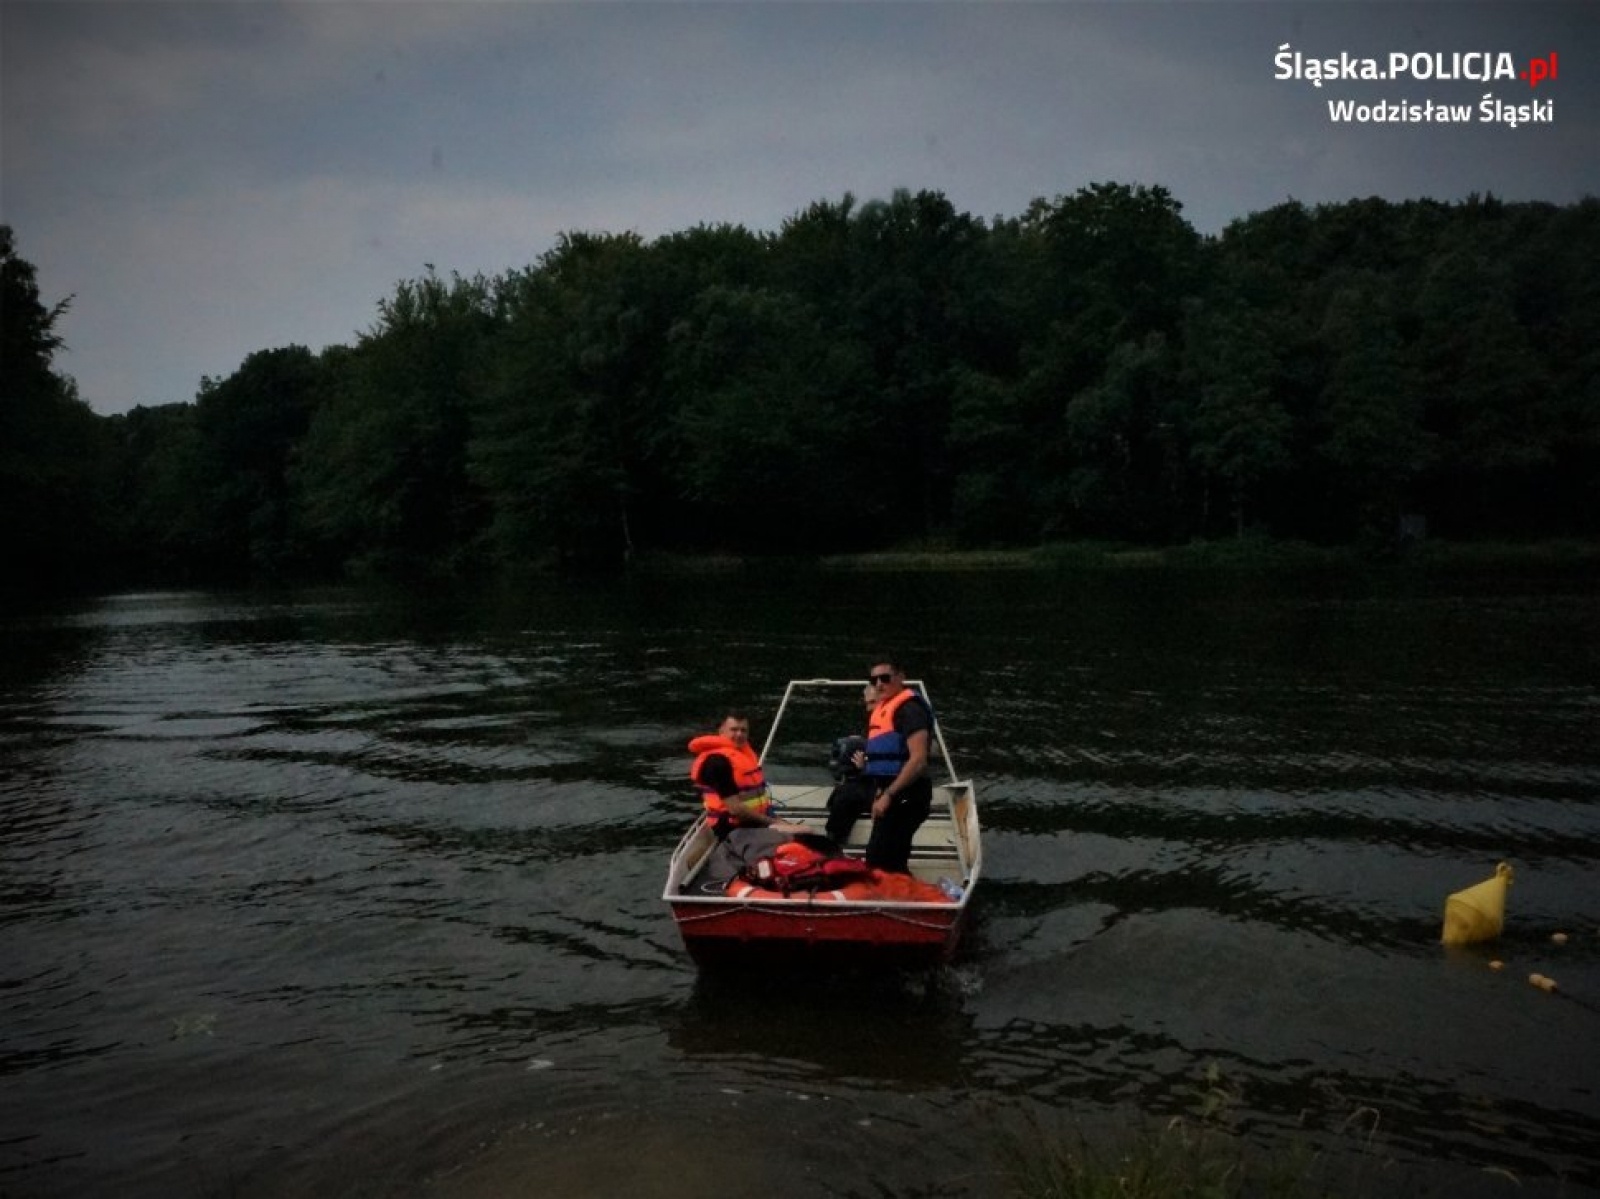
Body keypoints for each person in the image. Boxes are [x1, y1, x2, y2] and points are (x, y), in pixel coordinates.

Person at [687, 711, 805, 885]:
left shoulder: (742, 756)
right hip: (733, 828)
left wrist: (779, 821)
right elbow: (736, 809)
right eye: (734, 729)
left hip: (753, 823)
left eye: (744, 730)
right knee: (798, 843)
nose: (739, 734)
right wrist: (773, 823)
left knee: (805, 834)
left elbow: (758, 801)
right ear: (721, 731)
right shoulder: (717, 763)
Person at [860, 660, 935, 872]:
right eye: (874, 680)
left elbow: (918, 760)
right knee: (885, 858)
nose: (879, 684)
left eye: (885, 678)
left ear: (900, 677)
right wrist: (880, 792)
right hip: (891, 792)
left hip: (908, 795)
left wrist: (889, 795)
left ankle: (902, 896)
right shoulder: (884, 709)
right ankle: (897, 893)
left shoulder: (910, 710)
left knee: (880, 860)